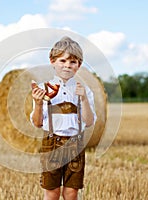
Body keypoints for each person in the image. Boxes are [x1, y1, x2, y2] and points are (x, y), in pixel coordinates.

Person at [30, 36, 96, 200]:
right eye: (62, 60)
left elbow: (89, 122)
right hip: (52, 144)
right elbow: (38, 123)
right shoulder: (43, 89)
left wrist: (84, 99)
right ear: (52, 61)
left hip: (75, 143)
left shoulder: (84, 90)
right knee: (52, 192)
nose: (67, 65)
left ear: (78, 65)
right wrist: (38, 104)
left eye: (73, 62)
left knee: (71, 192)